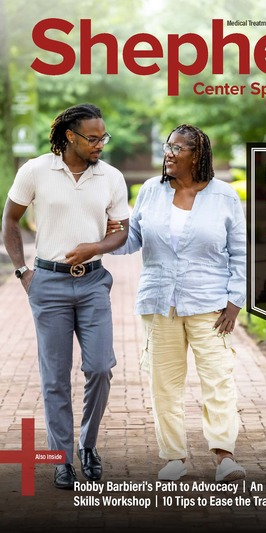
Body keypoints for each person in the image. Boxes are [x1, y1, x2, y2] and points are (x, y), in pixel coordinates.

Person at [2, 103, 129, 489]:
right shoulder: (36, 170)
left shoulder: (111, 177)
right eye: (93, 138)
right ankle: (61, 459)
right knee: (54, 378)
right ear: (69, 137)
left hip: (92, 283)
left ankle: (87, 445)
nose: (101, 144)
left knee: (100, 367)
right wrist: (23, 271)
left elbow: (121, 231)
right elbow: (10, 219)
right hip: (49, 285)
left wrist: (95, 248)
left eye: (103, 137)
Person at [109, 124, 246, 482]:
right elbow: (130, 241)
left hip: (210, 304)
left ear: (197, 155)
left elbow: (241, 253)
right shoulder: (151, 192)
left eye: (178, 148)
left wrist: (235, 301)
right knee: (164, 383)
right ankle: (174, 458)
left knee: (217, 378)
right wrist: (103, 231)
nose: (168, 153)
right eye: (168, 146)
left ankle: (224, 456)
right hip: (158, 302)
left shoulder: (224, 196)